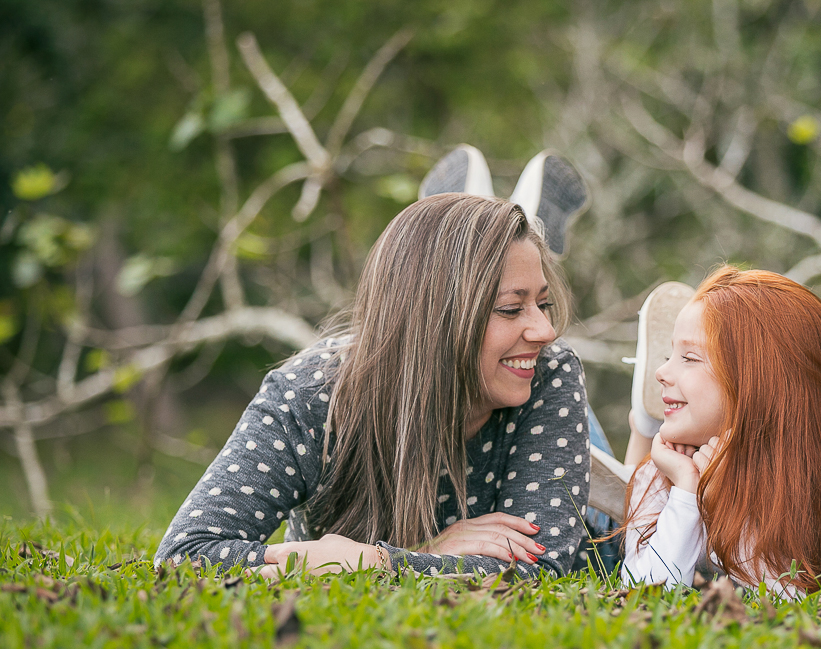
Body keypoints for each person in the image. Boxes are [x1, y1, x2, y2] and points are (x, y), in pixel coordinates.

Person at [154, 190, 592, 578]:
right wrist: (424, 554)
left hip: (589, 504)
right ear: (431, 321)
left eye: (544, 303)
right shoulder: (309, 395)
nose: (546, 330)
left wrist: (374, 562)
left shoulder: (551, 372)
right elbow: (185, 554)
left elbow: (542, 566)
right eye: (511, 310)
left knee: (621, 510)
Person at [619, 266, 821, 602]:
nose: (661, 371)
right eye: (669, 355)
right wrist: (687, 492)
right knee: (611, 506)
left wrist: (720, 499)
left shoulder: (804, 485)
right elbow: (641, 595)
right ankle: (643, 423)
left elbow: (783, 601)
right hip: (618, 523)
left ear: (758, 385)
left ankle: (643, 420)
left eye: (689, 357)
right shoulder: (663, 469)